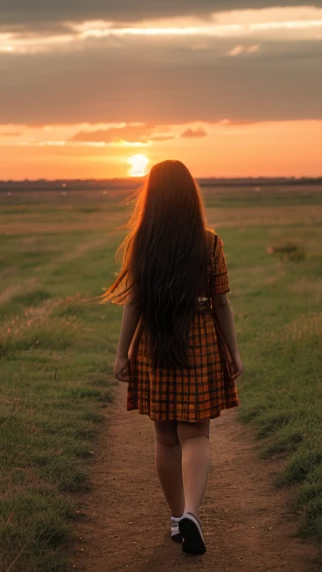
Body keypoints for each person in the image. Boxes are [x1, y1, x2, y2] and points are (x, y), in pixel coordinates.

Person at [102, 160, 243, 555]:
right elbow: (222, 303)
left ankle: (177, 517)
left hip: (154, 342)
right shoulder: (209, 242)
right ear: (189, 196)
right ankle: (192, 513)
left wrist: (122, 353)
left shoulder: (142, 242)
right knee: (195, 434)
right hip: (198, 337)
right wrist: (233, 351)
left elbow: (134, 304)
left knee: (165, 439)